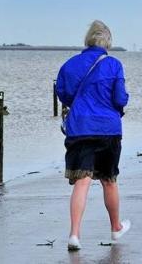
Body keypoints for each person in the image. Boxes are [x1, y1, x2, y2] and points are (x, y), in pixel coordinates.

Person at [55, 20, 131, 251]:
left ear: (87, 39)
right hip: (108, 129)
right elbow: (120, 98)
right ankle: (115, 227)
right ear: (108, 42)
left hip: (80, 128)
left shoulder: (69, 65)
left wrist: (82, 103)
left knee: (82, 181)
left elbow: (63, 94)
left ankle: (74, 234)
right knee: (109, 180)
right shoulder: (114, 64)